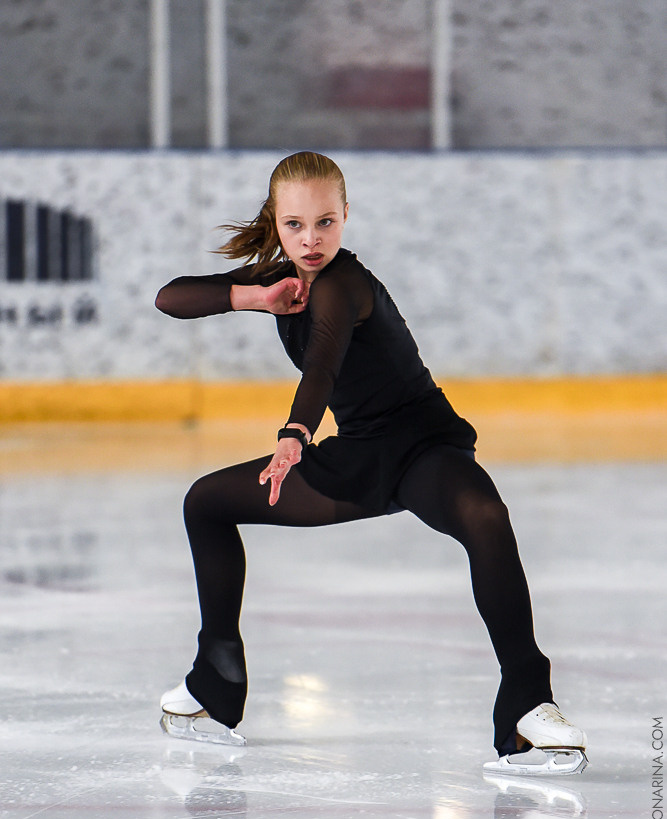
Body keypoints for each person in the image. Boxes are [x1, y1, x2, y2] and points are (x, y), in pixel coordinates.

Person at [155, 151, 587, 776]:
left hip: (423, 450)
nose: (311, 239)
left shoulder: (342, 285)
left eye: (326, 222)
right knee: (206, 502)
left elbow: (325, 358)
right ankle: (215, 680)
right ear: (275, 220)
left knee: (486, 519)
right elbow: (171, 298)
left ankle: (527, 702)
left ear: (347, 216)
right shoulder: (286, 280)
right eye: (295, 224)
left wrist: (293, 433)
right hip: (356, 460)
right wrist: (254, 296)